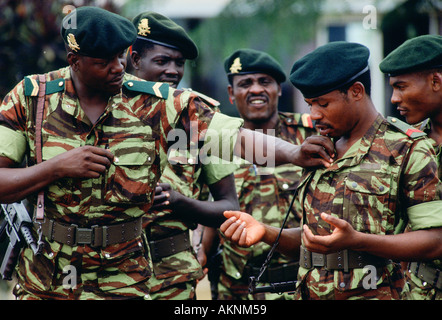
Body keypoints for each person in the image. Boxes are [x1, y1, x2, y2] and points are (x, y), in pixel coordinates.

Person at [0, 6, 334, 300]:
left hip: (124, 277)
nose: (119, 68)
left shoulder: (159, 102)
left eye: (121, 58)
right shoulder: (32, 99)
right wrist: (55, 168)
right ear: (75, 61)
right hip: (48, 276)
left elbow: (234, 137)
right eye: (105, 63)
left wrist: (293, 153)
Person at [220, 41, 442, 300]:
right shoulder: (319, 150)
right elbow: (315, 244)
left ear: (357, 91)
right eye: (309, 104)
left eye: (323, 104)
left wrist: (358, 240)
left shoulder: (407, 148)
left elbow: (435, 241)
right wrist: (265, 232)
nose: (313, 114)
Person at [128, 11, 239, 300]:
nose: (173, 71)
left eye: (179, 63)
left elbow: (229, 207)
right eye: (162, 61)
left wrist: (181, 203)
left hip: (172, 280)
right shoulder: (106, 114)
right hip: (107, 276)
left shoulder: (198, 122)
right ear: (135, 59)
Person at [201, 49, 317, 300]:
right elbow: (208, 207)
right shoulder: (217, 141)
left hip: (300, 280)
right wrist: (201, 250)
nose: (255, 90)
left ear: (279, 89)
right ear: (231, 94)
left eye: (264, 81)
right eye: (245, 83)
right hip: (237, 287)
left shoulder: (311, 135)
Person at [379, 34, 442, 300]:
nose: (394, 99)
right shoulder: (405, 145)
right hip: (420, 290)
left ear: (436, 81)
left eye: (401, 86)